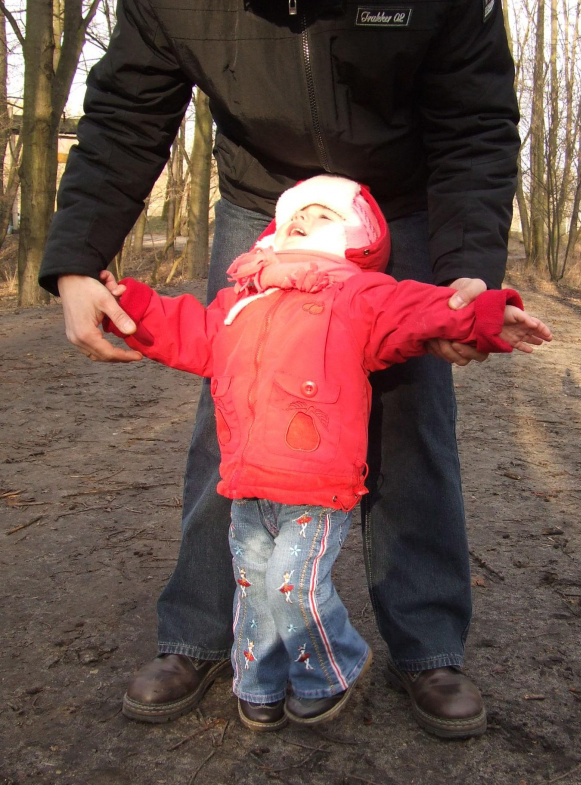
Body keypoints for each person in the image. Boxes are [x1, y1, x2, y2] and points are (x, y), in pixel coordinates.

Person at [39, 1, 521, 738]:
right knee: (233, 404)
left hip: (402, 198)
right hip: (267, 202)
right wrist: (78, 260)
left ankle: (428, 646)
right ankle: (198, 635)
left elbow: (474, 120)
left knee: (411, 412)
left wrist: (468, 280)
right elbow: (128, 113)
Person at [101, 175, 550, 732]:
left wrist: (480, 315)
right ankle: (259, 683)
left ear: (356, 239)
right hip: (245, 480)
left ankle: (332, 669)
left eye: (321, 217)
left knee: (293, 584)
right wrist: (129, 305)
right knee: (255, 588)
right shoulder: (238, 300)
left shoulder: (360, 295)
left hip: (316, 486)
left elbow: (417, 309)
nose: (302, 222)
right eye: (294, 216)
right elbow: (185, 329)